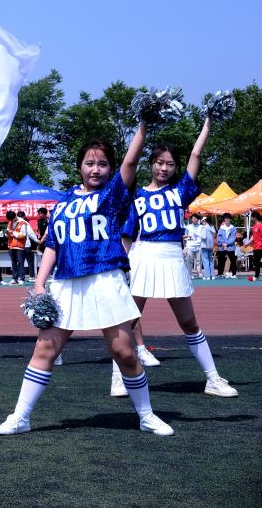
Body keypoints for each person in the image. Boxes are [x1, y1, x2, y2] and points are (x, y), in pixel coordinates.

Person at [0, 124, 176, 437]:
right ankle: (20, 417)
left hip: (106, 279)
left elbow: (131, 162)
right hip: (66, 283)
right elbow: (53, 244)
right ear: (79, 166)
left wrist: (143, 127)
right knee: (45, 350)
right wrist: (39, 283)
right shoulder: (63, 202)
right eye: (89, 163)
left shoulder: (113, 194)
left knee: (125, 352)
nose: (95, 169)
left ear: (110, 168)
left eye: (102, 164)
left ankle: (146, 416)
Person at [116, 122, 237, 398]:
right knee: (128, 321)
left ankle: (212, 378)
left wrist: (208, 123)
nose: (164, 168)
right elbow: (127, 235)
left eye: (170, 164)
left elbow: (196, 155)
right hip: (143, 256)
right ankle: (118, 378)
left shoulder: (180, 190)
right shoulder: (137, 196)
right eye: (159, 162)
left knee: (189, 323)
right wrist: (123, 265)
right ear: (151, 164)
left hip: (172, 258)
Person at [5, 211, 27, 284]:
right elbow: (8, 233)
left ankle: (22, 278)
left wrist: (13, 233)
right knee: (13, 263)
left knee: (20, 262)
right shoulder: (10, 222)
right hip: (11, 245)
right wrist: (7, 233)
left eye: (12, 219)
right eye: (10, 220)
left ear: (15, 216)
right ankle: (14, 278)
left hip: (19, 246)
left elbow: (23, 234)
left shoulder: (22, 222)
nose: (11, 221)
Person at [184, 214, 203, 278]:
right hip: (190, 245)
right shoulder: (188, 226)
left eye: (195, 218)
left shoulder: (201, 227)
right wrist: (187, 237)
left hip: (199, 245)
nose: (193, 219)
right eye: (192, 218)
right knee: (189, 260)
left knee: (199, 260)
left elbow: (203, 236)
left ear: (198, 219)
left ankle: (199, 273)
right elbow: (185, 235)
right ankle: (189, 274)